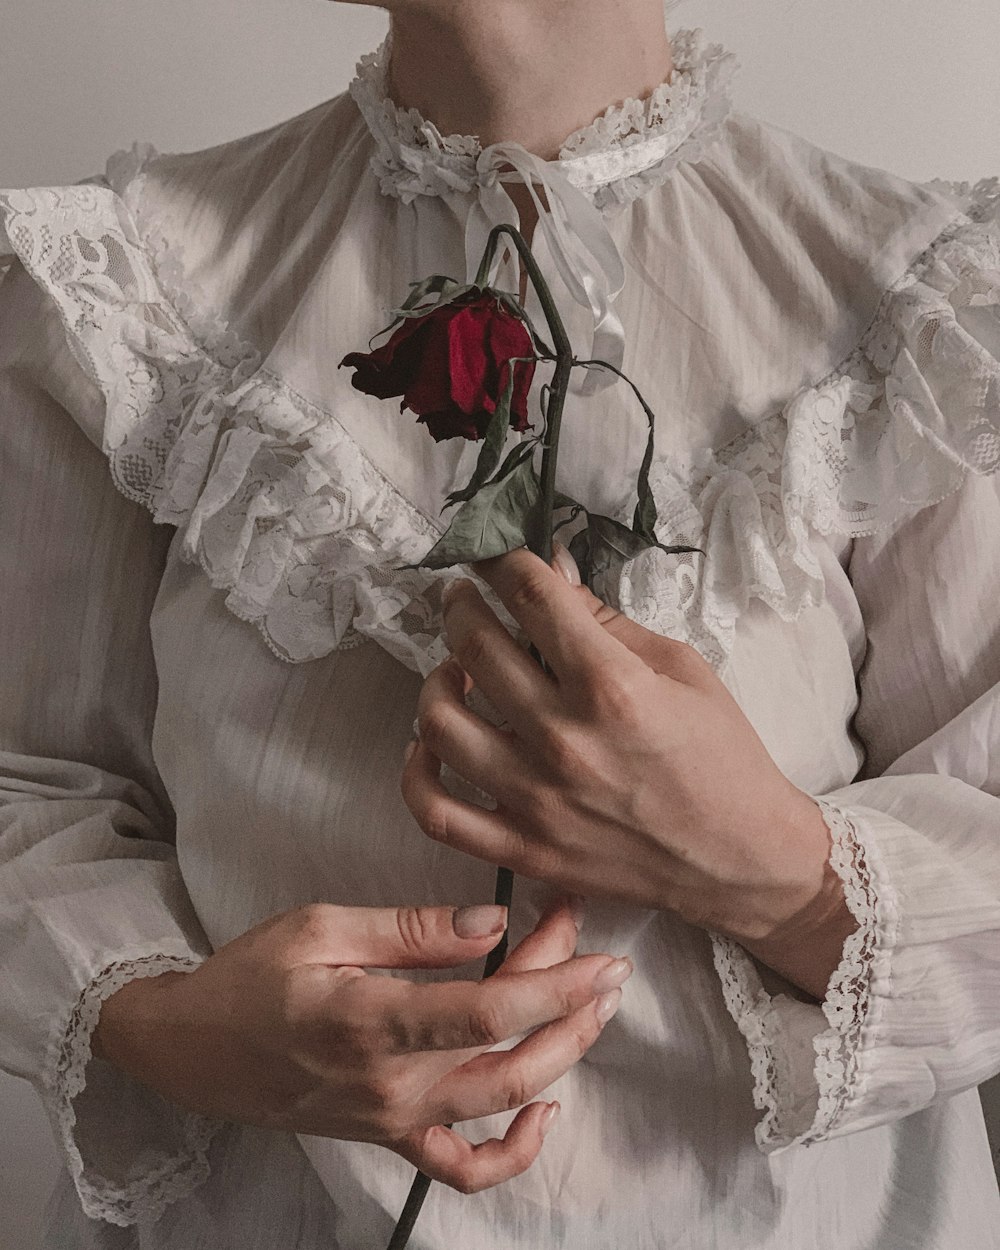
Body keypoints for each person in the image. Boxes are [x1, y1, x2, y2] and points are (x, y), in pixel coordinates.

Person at [2, 0, 999, 1246]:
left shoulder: (924, 307)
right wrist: (165, 1023)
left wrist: (769, 867)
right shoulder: (129, 295)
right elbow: (31, 786)